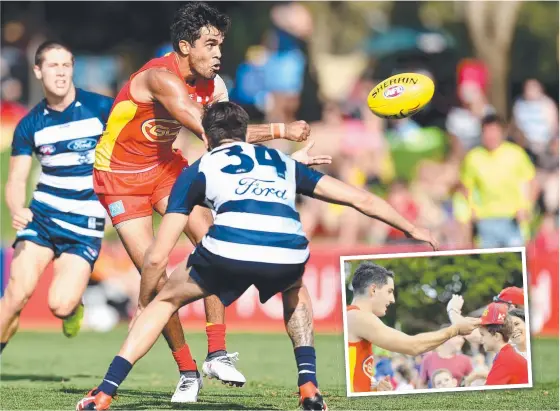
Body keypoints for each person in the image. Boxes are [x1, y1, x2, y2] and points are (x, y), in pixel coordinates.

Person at [76, 101, 440, 410]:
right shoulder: (281, 161)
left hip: (228, 250)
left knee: (164, 301)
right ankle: (309, 385)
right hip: (287, 251)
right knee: (294, 289)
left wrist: (145, 301)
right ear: (246, 130)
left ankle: (105, 392)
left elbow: (157, 256)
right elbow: (359, 199)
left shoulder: (196, 169)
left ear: (206, 135)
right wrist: (412, 228)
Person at [92, 2, 318, 401]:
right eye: (209, 45)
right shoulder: (160, 78)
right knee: (155, 275)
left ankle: (216, 352)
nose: (218, 54)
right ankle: (187, 371)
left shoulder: (215, 85)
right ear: (184, 46)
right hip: (119, 179)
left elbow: (229, 135)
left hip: (164, 169)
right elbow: (212, 135)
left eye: (220, 45)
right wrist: (284, 129)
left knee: (215, 243)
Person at [0, 41, 113, 352]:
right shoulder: (30, 124)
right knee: (16, 294)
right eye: (53, 65)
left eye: (66, 65)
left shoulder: (102, 109)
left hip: (84, 225)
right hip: (43, 218)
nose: (61, 72)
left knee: (60, 306)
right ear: (38, 71)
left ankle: (74, 309)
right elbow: (16, 180)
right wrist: (15, 207)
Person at [346, 262, 480, 393]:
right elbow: (413, 346)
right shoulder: (359, 317)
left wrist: (373, 386)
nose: (392, 299)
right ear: (373, 289)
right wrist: (455, 329)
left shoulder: (355, 317)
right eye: (389, 291)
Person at [459, 114, 536, 248]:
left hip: (513, 219)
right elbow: (466, 187)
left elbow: (531, 183)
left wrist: (526, 207)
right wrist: (471, 211)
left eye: (494, 131)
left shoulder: (516, 154)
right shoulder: (473, 157)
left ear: (502, 132)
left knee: (517, 263)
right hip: (486, 220)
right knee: (489, 265)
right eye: (487, 132)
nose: (490, 136)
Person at [478, 303, 529, 386]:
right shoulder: (506, 353)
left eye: (482, 335)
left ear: (496, 336)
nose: (481, 339)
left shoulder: (505, 358)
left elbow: (486, 393)